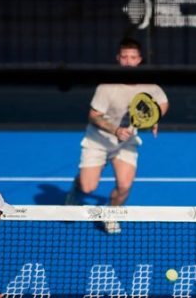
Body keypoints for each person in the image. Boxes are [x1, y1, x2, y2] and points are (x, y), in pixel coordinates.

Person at [64, 38, 168, 234]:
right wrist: (115, 130)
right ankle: (75, 190)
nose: (128, 61)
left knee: (124, 186)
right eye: (125, 57)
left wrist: (155, 118)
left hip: (126, 142)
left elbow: (162, 102)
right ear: (118, 59)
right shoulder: (107, 86)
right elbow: (93, 116)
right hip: (99, 140)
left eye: (133, 57)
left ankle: (111, 214)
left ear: (139, 60)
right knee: (88, 188)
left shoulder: (148, 84)